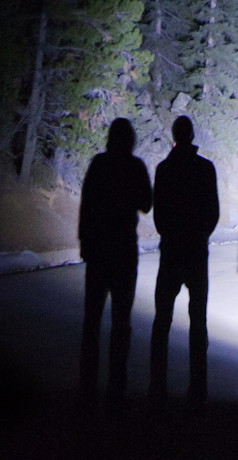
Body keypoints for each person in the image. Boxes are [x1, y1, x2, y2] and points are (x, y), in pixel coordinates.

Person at [78, 118, 153, 401]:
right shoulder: (135, 167)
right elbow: (146, 203)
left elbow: (86, 206)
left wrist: (85, 244)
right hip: (123, 251)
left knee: (92, 321)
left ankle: (87, 385)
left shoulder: (99, 164)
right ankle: (116, 386)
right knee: (121, 322)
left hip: (98, 251)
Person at [149, 115, 220, 405]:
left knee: (162, 320)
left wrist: (170, 234)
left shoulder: (164, 169)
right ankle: (198, 388)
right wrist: (200, 234)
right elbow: (213, 211)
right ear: (192, 135)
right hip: (195, 252)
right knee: (198, 320)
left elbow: (159, 213)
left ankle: (157, 386)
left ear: (174, 136)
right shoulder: (205, 168)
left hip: (171, 251)